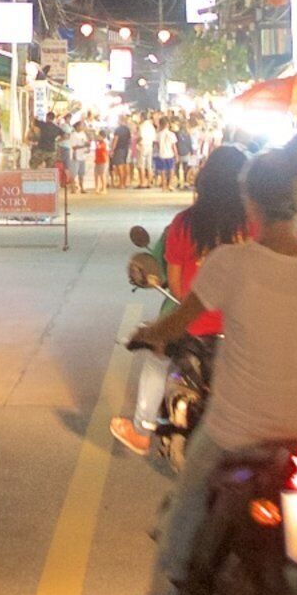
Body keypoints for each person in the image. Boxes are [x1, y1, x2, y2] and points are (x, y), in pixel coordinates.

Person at [123, 143, 297, 595]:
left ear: (250, 205)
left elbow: (178, 322)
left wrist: (145, 335)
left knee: (181, 524)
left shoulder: (230, 264)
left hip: (238, 431)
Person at [111, 147, 253, 456]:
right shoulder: (255, 224)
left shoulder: (184, 223)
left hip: (191, 323)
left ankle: (142, 431)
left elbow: (176, 285)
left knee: (156, 357)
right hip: (243, 327)